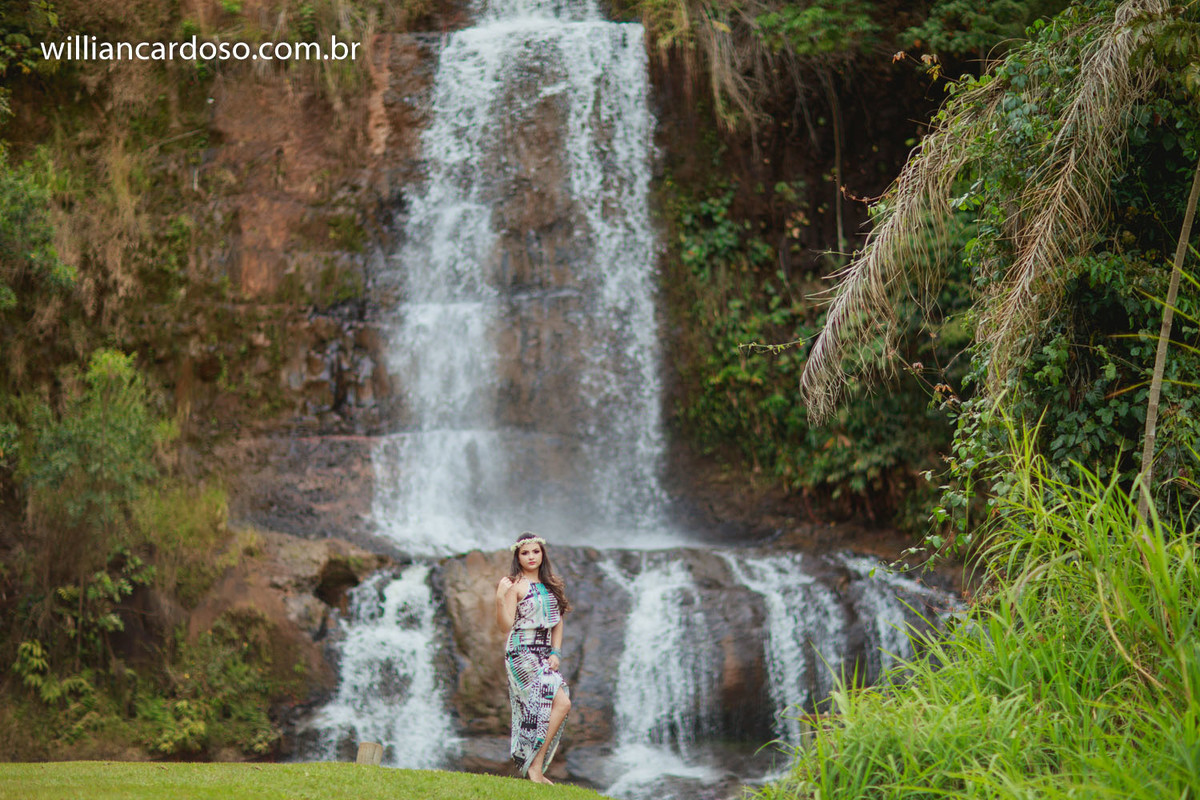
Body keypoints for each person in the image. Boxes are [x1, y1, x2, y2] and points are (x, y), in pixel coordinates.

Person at [495, 531, 572, 784]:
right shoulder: (514, 585)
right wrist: (499, 598)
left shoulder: (552, 586)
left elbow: (557, 622)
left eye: (535, 551)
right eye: (525, 552)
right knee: (552, 702)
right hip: (520, 653)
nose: (531, 556)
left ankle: (535, 766)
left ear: (542, 554)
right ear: (518, 556)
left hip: (543, 653)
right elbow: (505, 626)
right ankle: (533, 768)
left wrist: (556, 651)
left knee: (560, 704)